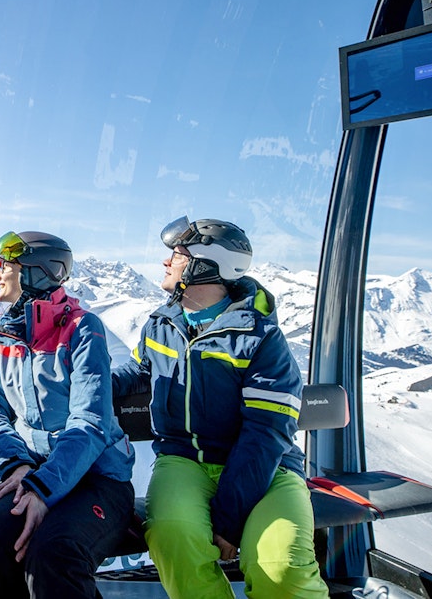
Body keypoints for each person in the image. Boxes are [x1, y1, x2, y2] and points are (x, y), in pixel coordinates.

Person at [111, 216, 330, 599]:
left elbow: (266, 433)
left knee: (280, 568)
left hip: (267, 468)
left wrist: (229, 519)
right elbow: (139, 368)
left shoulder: (261, 340)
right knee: (173, 538)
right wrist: (93, 384)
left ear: (203, 266)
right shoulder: (162, 324)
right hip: (185, 461)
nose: (166, 263)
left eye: (176, 255)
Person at [0, 231, 136, 599]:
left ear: (36, 272)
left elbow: (89, 424)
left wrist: (43, 489)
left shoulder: (82, 330)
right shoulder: (5, 336)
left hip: (97, 480)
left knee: (54, 552)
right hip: (30, 471)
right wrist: (16, 465)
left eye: (7, 265)